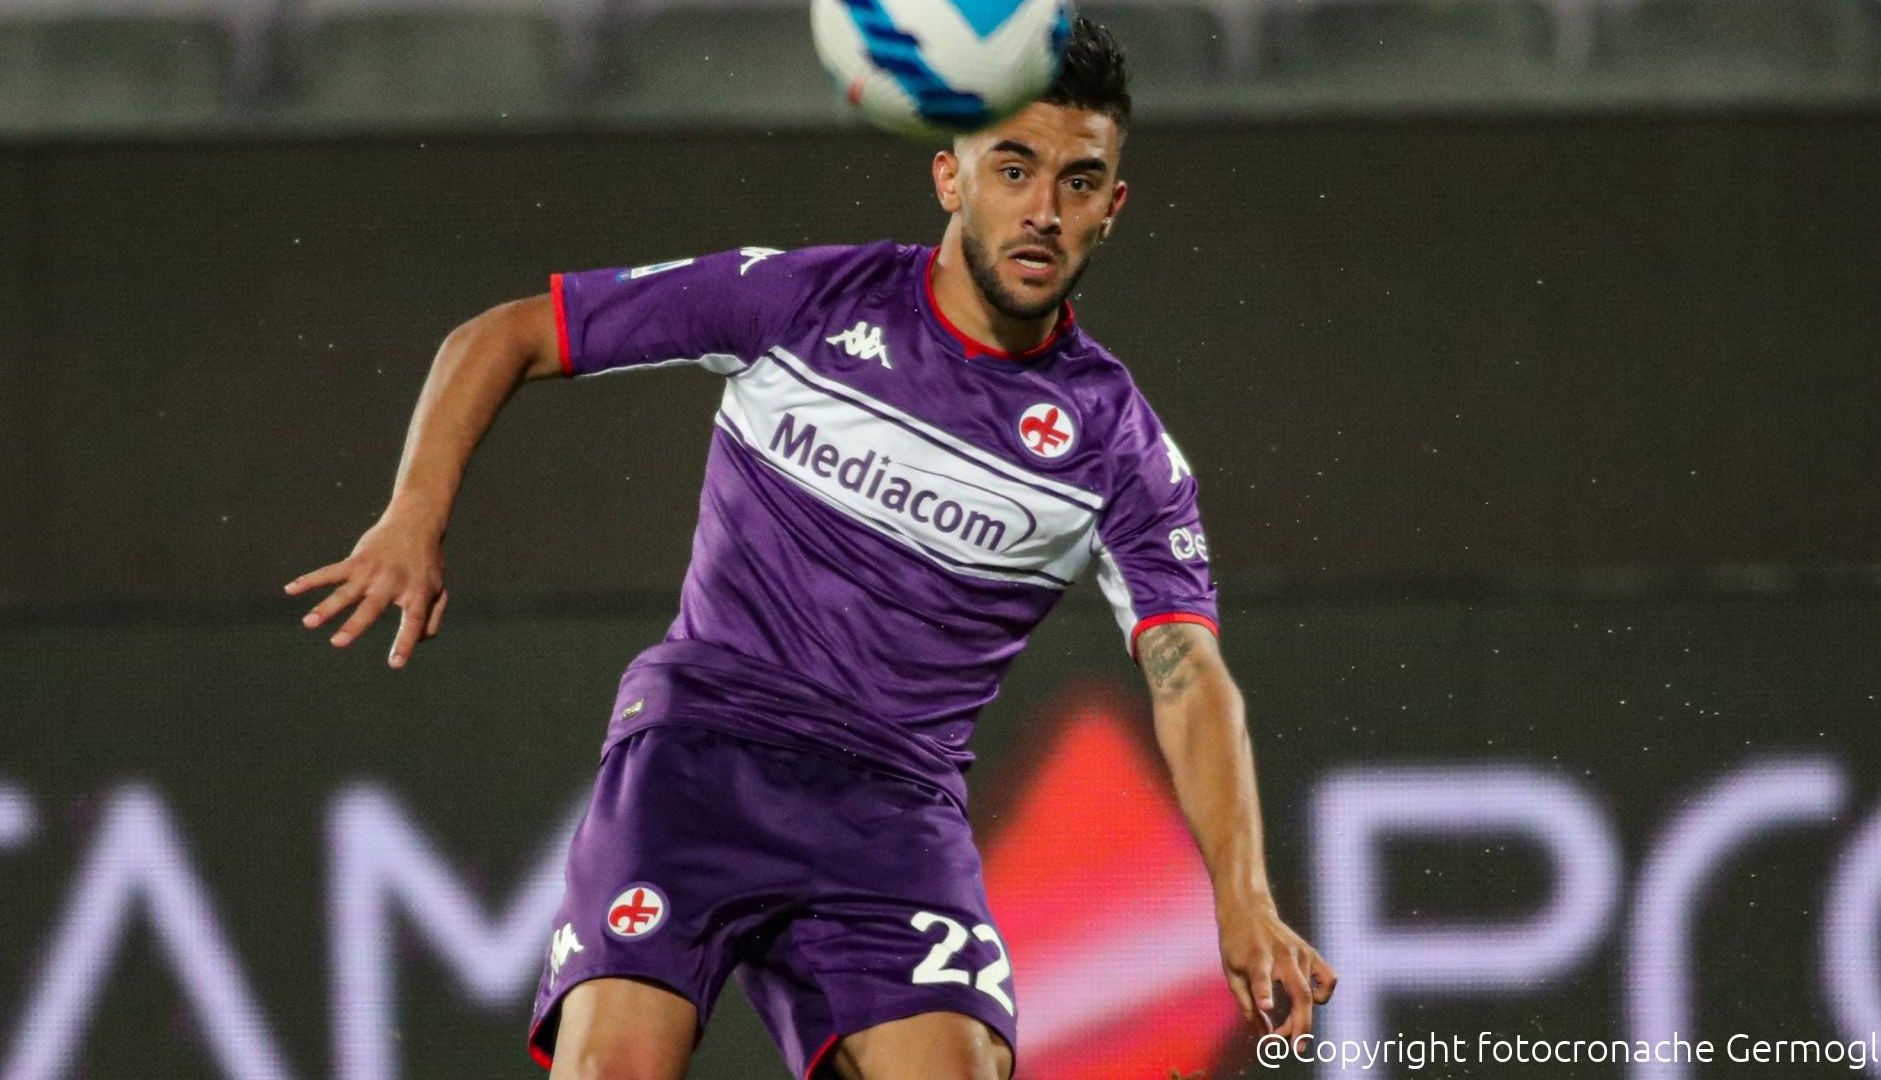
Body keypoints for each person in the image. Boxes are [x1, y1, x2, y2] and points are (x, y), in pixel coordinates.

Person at [286, 18, 1335, 1079]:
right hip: (700, 755)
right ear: (950, 176)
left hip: (893, 809)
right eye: (1013, 169)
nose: (1043, 211)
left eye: (1079, 181)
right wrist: (413, 515)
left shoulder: (1117, 445)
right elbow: (506, 334)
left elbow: (1189, 673)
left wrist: (1243, 897)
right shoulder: (801, 300)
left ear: (1113, 206)